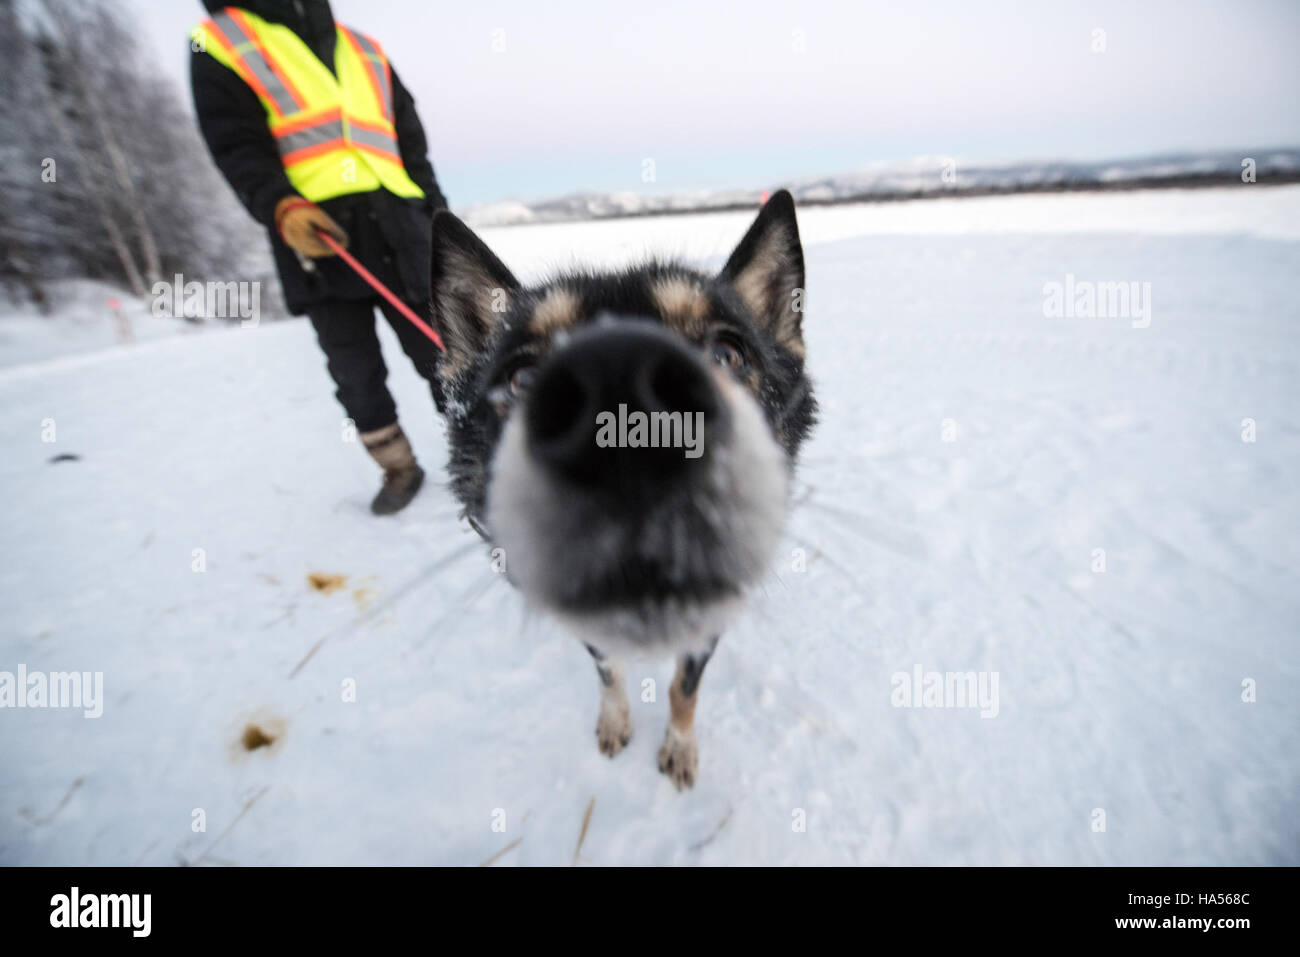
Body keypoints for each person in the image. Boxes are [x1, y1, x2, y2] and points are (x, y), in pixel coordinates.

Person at [190, 0, 448, 514]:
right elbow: (236, 144)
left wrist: (438, 220)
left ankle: (490, 453)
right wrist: (280, 206)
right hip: (320, 237)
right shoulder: (220, 40)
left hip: (402, 227)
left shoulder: (363, 49)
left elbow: (410, 144)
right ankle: (398, 466)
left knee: (448, 353)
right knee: (355, 371)